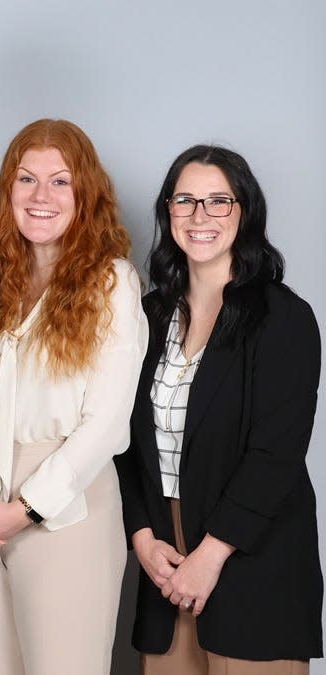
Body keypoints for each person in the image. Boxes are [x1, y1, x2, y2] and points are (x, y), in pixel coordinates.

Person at [0, 119, 146, 674]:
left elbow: (107, 425)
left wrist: (22, 510)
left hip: (64, 504)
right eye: (27, 179)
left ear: (86, 195)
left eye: (60, 182)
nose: (41, 196)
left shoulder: (112, 283)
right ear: (7, 189)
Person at [116, 145, 322, 674]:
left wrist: (210, 557)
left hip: (251, 559)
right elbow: (122, 441)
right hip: (164, 561)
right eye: (185, 200)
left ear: (245, 212)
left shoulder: (284, 318)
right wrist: (141, 538)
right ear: (167, 212)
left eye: (218, 201)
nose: (200, 216)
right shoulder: (147, 316)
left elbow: (274, 455)